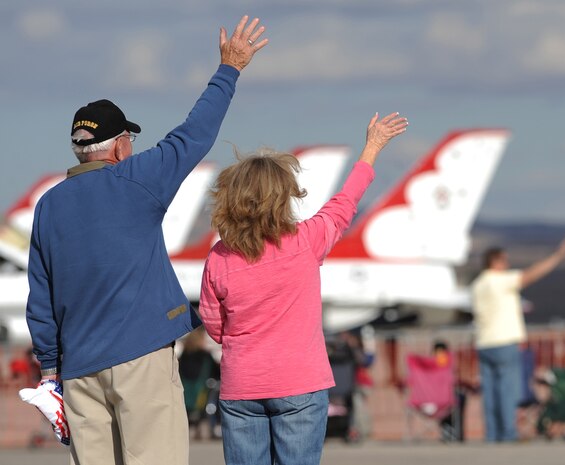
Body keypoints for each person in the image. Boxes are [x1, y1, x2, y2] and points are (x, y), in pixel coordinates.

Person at [25, 15, 267, 464]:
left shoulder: (48, 206)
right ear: (118, 147)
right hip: (140, 356)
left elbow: (41, 295)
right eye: (129, 139)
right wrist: (229, 69)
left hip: (77, 371)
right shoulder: (135, 178)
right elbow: (195, 133)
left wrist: (50, 370)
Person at [199, 112, 408, 465]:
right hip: (300, 384)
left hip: (241, 387)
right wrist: (372, 147)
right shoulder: (306, 241)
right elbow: (347, 201)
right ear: (283, 197)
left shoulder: (219, 256)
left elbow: (214, 325)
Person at [470, 239, 565, 442]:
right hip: (504, 341)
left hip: (483, 342)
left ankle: (492, 434)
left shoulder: (478, 284)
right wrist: (556, 257)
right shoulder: (499, 280)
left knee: (490, 393)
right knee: (507, 390)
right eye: (504, 261)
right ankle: (507, 434)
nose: (507, 265)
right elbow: (530, 275)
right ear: (495, 262)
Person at [179, 327, 221, 439]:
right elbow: (216, 373)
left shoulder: (183, 356)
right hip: (202, 394)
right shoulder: (205, 356)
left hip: (185, 393)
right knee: (203, 418)